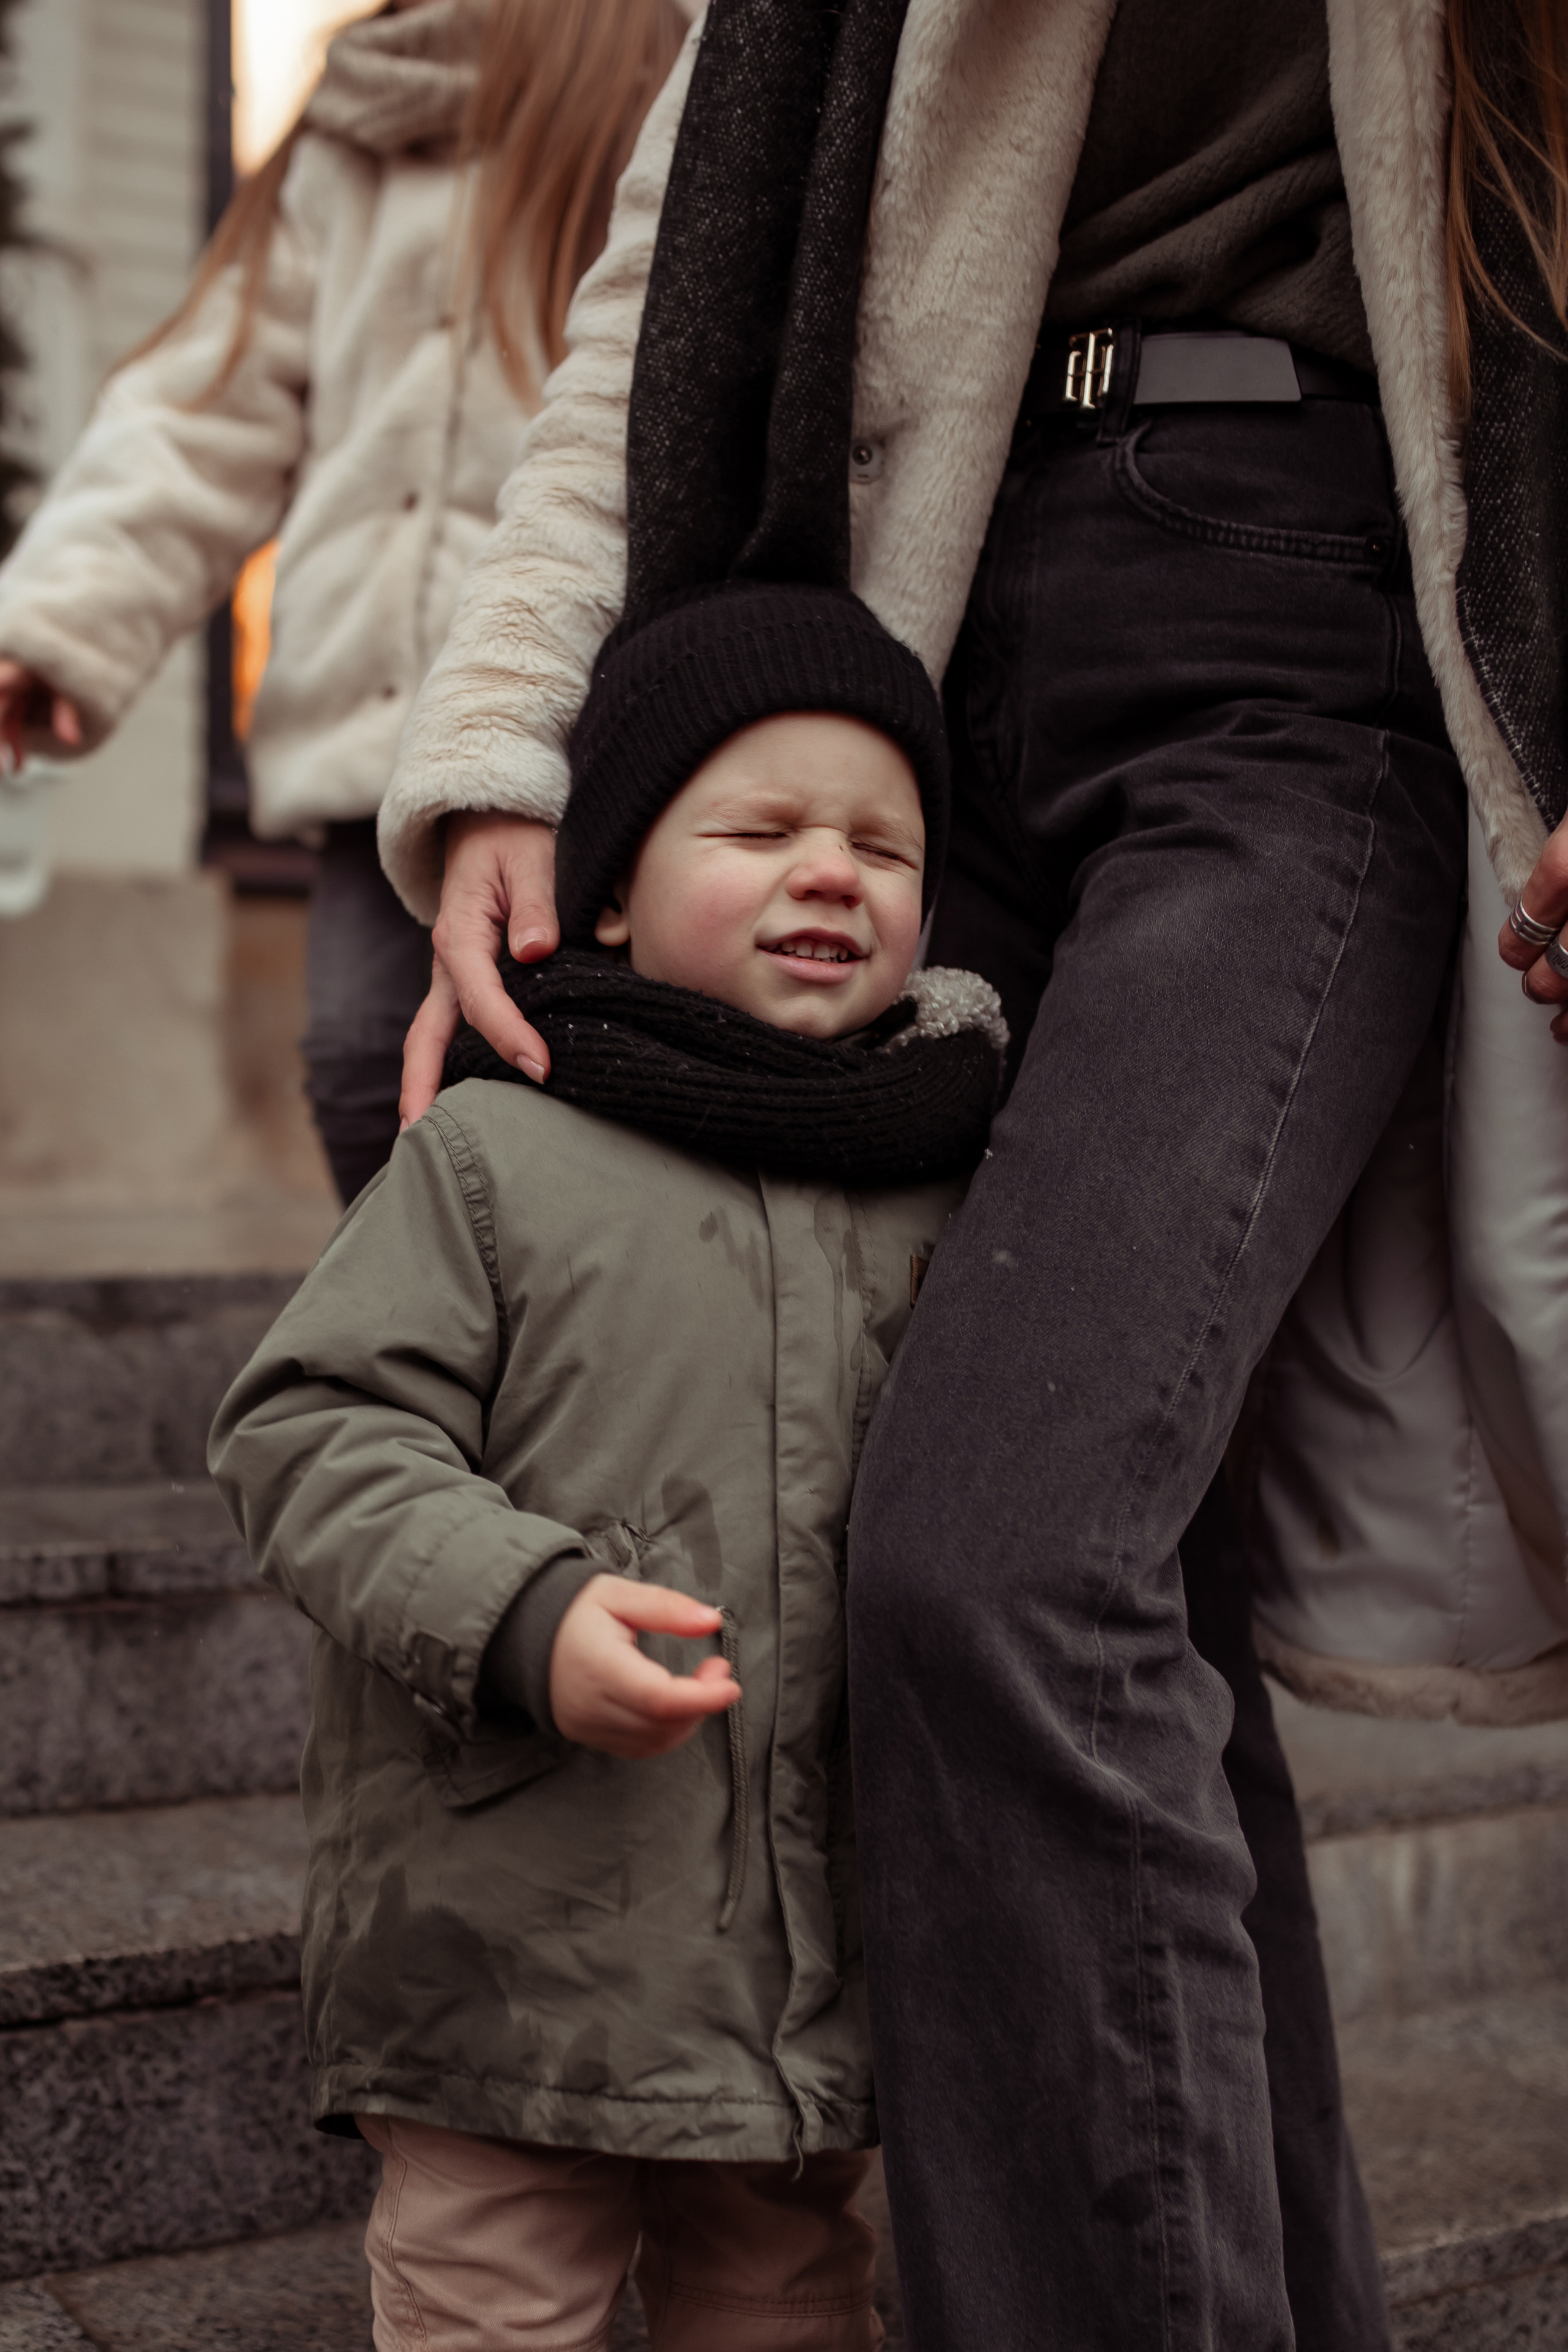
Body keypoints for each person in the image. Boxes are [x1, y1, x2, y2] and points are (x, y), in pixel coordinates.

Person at [369, 3, 1568, 2348]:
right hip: (882, 665)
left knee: (998, 1560)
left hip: (1295, 639)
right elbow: (668, 273)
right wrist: (516, 732)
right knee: (1134, 1608)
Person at [209, 568, 1008, 2351]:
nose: (834, 871)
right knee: (499, 2303)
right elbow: (308, 1427)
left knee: (790, 2300)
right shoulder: (498, 1155)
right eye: (767, 828)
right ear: (618, 894)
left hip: (804, 1972)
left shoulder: (949, 1181)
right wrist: (519, 1606)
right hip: (513, 1942)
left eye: (885, 848)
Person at [0, 0, 690, 1202]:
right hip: (378, 760)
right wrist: (62, 619)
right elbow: (203, 414)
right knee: (364, 1062)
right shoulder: (353, 124)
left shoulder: (663, 80)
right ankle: (414, 1359)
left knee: (572, 1086)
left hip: (585, 739)